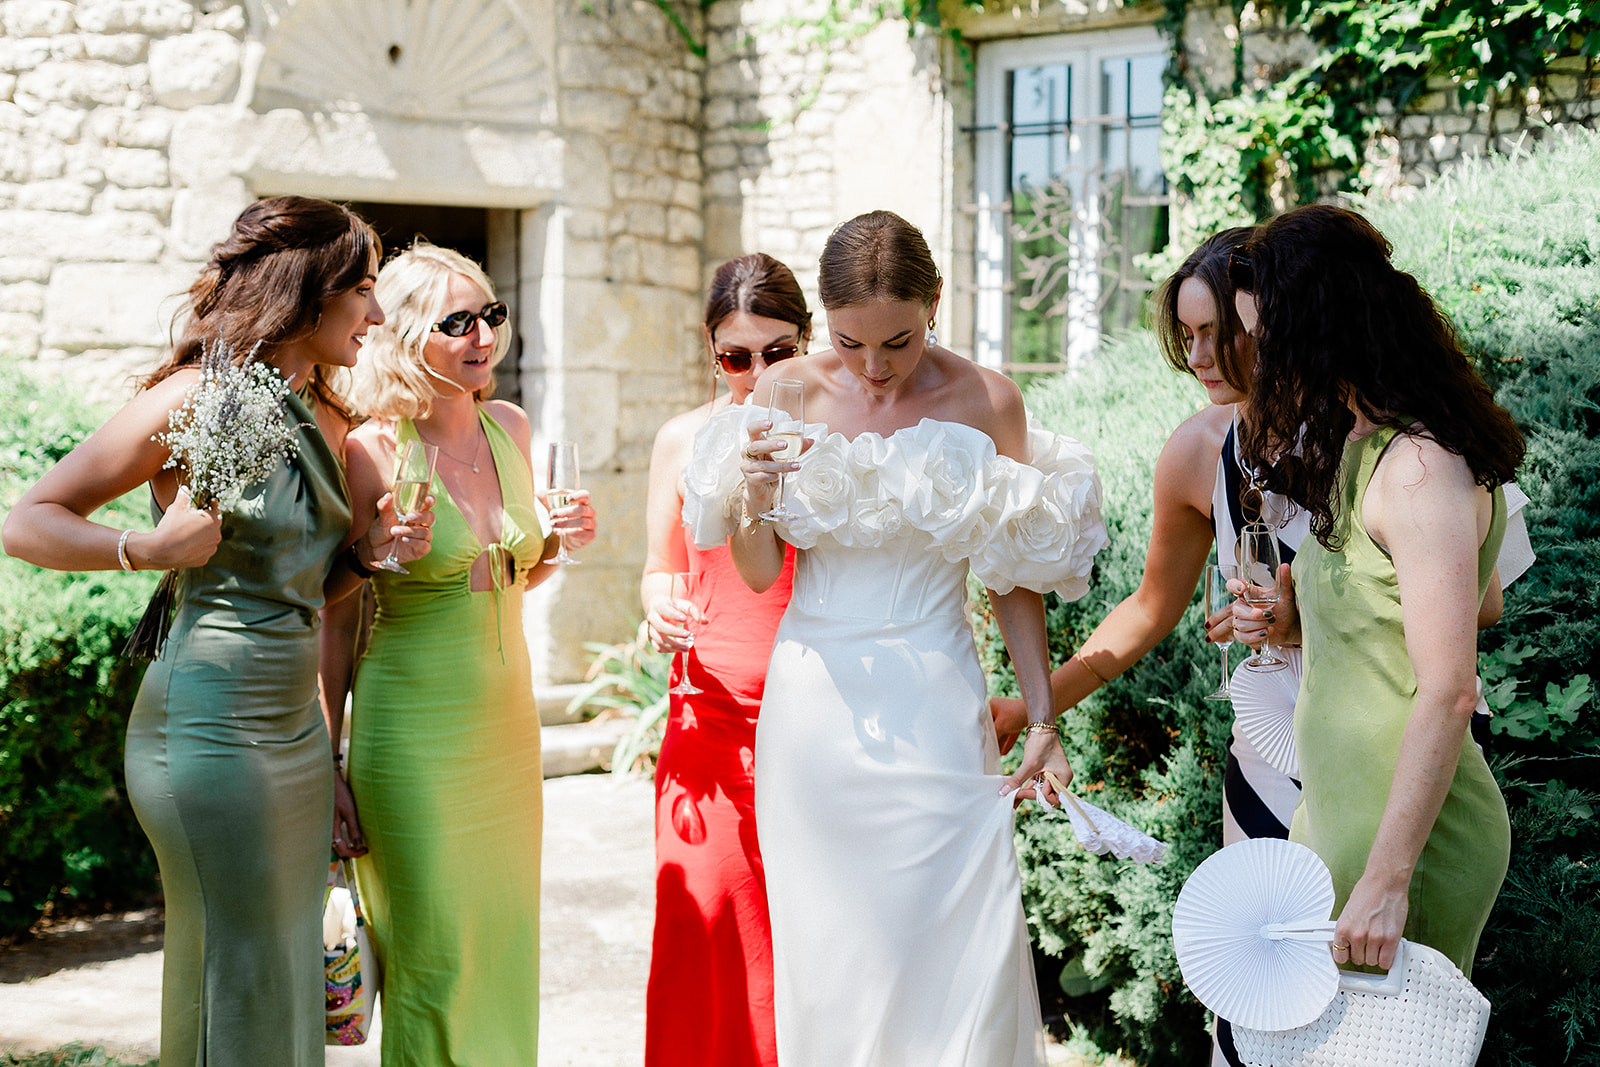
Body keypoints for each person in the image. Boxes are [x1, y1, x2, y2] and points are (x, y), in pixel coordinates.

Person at [0, 196, 428, 1066]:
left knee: (282, 969)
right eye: (366, 290)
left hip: (295, 736)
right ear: (308, 294)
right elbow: (29, 517)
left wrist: (371, 553)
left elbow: (313, 591)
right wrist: (142, 545)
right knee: (233, 970)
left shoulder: (321, 416)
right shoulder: (201, 398)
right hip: (207, 726)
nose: (379, 315)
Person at [686, 210, 1107, 1066]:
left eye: (899, 342)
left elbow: (1012, 572)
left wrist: (1042, 718)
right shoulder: (784, 391)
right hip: (816, 715)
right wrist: (756, 496)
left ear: (937, 303)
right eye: (848, 343)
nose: (874, 368)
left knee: (956, 949)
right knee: (834, 964)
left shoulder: (988, 400)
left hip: (936, 699)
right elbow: (761, 571)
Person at [318, 240, 596, 1064]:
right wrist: (328, 754)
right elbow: (335, 617)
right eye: (459, 320)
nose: (484, 334)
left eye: (493, 314)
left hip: (506, 736)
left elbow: (507, 578)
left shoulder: (509, 424)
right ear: (405, 335)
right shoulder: (370, 451)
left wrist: (559, 546)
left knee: (504, 941)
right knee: (435, 955)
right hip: (413, 735)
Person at [1229, 203, 1522, 977]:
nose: (1257, 362)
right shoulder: (1363, 443)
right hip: (1339, 819)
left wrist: (1389, 879)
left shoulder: (1422, 466)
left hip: (1406, 851)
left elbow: (1452, 688)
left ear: (1319, 326)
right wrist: (1305, 621)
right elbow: (1478, 603)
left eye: (1267, 338)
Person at [640, 253, 812, 1067]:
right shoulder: (681, 439)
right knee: (701, 940)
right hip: (704, 726)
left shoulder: (836, 437)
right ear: (713, 353)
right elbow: (660, 567)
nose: (756, 374)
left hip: (811, 727)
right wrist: (656, 606)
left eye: (777, 351)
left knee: (793, 952)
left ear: (809, 340)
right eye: (735, 356)